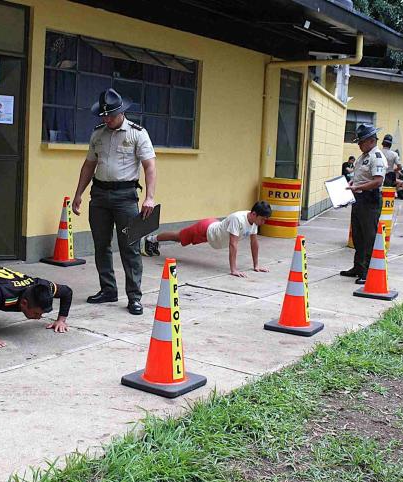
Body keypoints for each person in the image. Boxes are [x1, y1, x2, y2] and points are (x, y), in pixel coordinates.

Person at [72, 88, 157, 316]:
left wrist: (149, 197)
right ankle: (108, 289)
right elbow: (89, 165)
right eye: (103, 115)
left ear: (121, 112)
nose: (106, 119)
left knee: (130, 247)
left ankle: (134, 297)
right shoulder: (98, 134)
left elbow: (149, 166)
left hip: (125, 197)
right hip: (99, 195)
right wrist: (79, 193)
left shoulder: (138, 133)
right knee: (101, 245)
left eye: (109, 115)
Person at [142, 201, 273, 277]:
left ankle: (152, 240)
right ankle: (150, 239)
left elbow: (254, 243)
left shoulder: (254, 223)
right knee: (179, 237)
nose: (263, 222)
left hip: (214, 231)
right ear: (254, 214)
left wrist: (256, 265)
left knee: (180, 238)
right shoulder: (238, 219)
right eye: (262, 219)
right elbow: (233, 244)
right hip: (205, 230)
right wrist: (233, 270)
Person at [340, 123, 386, 284]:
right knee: (358, 235)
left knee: (369, 236)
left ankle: (367, 271)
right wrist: (353, 182)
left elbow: (378, 181)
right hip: (359, 198)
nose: (359, 145)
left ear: (371, 141)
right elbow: (360, 175)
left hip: (369, 199)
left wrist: (357, 187)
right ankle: (358, 267)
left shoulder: (377, 157)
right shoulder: (363, 157)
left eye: (361, 142)